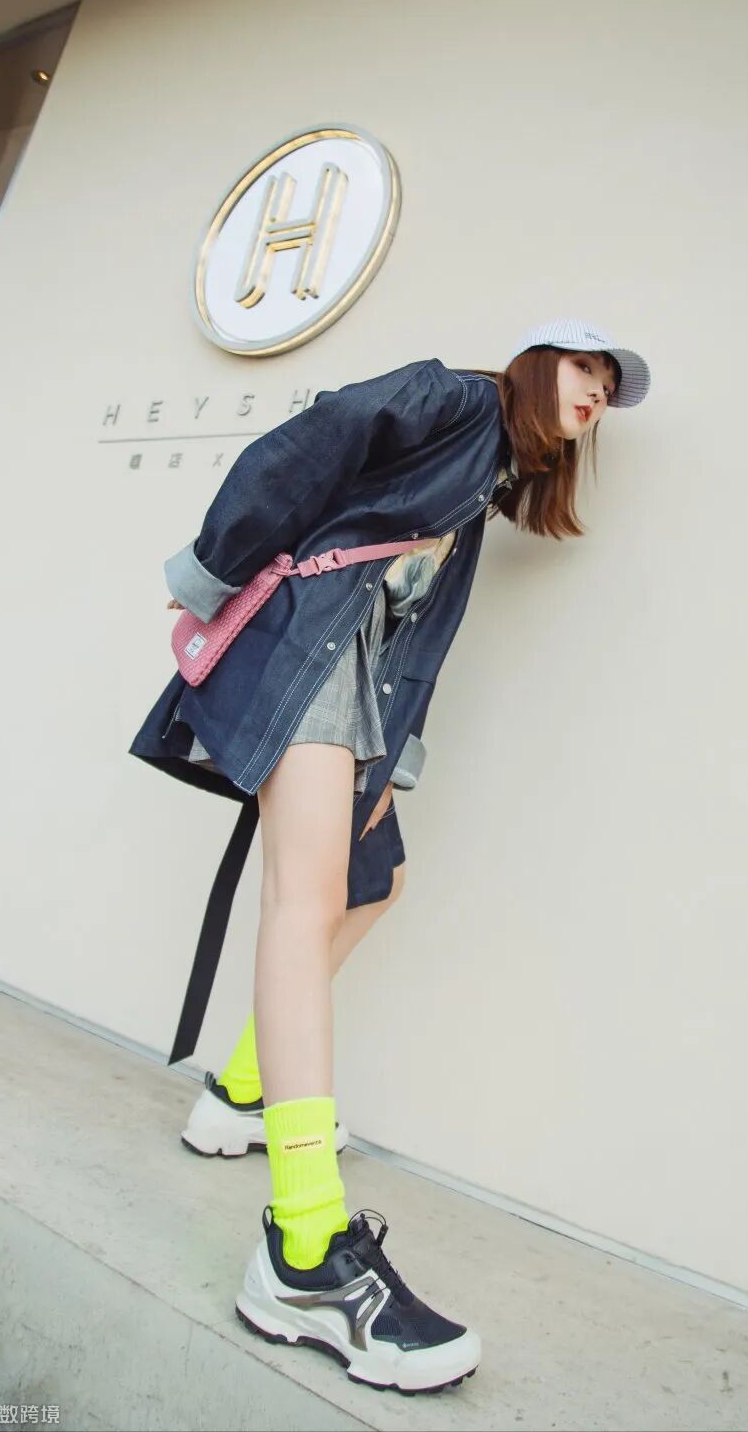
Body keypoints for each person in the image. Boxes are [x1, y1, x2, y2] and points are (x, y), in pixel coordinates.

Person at [128, 317, 651, 1396]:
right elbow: (307, 442)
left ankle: (243, 1092)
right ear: (537, 364)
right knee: (305, 903)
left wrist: (387, 769)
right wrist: (210, 570)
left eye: (608, 385)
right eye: (584, 368)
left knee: (375, 883)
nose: (596, 392)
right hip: (305, 648)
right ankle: (305, 1246)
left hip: (350, 682)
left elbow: (415, 647)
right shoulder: (451, 398)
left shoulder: (481, 484)